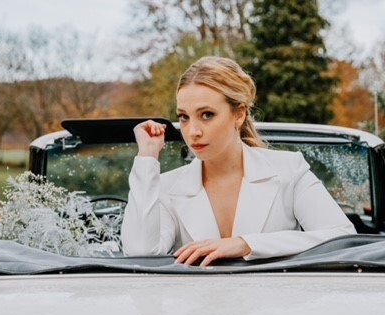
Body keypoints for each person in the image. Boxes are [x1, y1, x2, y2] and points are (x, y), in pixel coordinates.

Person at [121, 56, 356, 267]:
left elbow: (342, 238)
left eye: (207, 115)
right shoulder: (166, 186)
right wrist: (147, 157)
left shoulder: (289, 169)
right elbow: (141, 254)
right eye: (184, 117)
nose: (192, 131)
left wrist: (246, 244)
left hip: (276, 300)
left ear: (239, 114)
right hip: (195, 302)